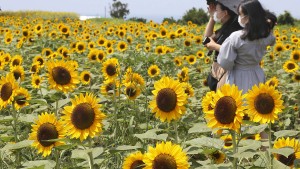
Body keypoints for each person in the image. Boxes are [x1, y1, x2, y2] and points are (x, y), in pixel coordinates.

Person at [215, 0, 276, 94]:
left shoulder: (236, 37)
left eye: (240, 14)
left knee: (240, 103)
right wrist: (268, 25)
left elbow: (226, 62)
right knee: (255, 103)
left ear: (248, 17)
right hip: (257, 73)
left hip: (238, 75)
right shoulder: (266, 35)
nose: (239, 17)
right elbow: (272, 40)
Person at [203, 0, 243, 91]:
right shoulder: (225, 28)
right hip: (218, 75)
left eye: (216, 10)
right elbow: (207, 39)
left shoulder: (235, 31)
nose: (215, 11)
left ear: (225, 13)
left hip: (227, 77)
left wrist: (215, 46)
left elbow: (236, 53)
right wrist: (212, 17)